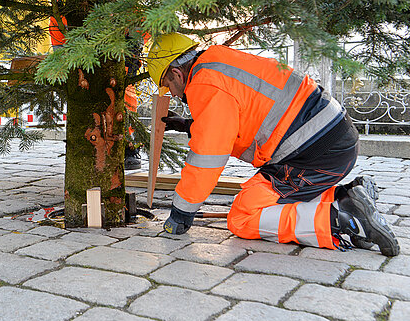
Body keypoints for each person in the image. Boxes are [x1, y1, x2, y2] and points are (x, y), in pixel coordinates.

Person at [145, 33, 400, 256]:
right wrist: (192, 125)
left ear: (177, 73)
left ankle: (343, 221)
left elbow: (208, 155)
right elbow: (244, 114)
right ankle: (347, 197)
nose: (173, 94)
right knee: (277, 199)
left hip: (311, 151)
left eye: (168, 85)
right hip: (330, 138)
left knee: (244, 215)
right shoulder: (218, 60)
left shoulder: (204, 83)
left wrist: (182, 211)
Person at [48, 12, 143, 170]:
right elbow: (59, 44)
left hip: (120, 53)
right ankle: (88, 143)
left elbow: (140, 26)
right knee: (85, 98)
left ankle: (126, 143)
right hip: (79, 56)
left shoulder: (125, 1)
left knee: (124, 95)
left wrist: (132, 52)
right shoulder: (62, 11)